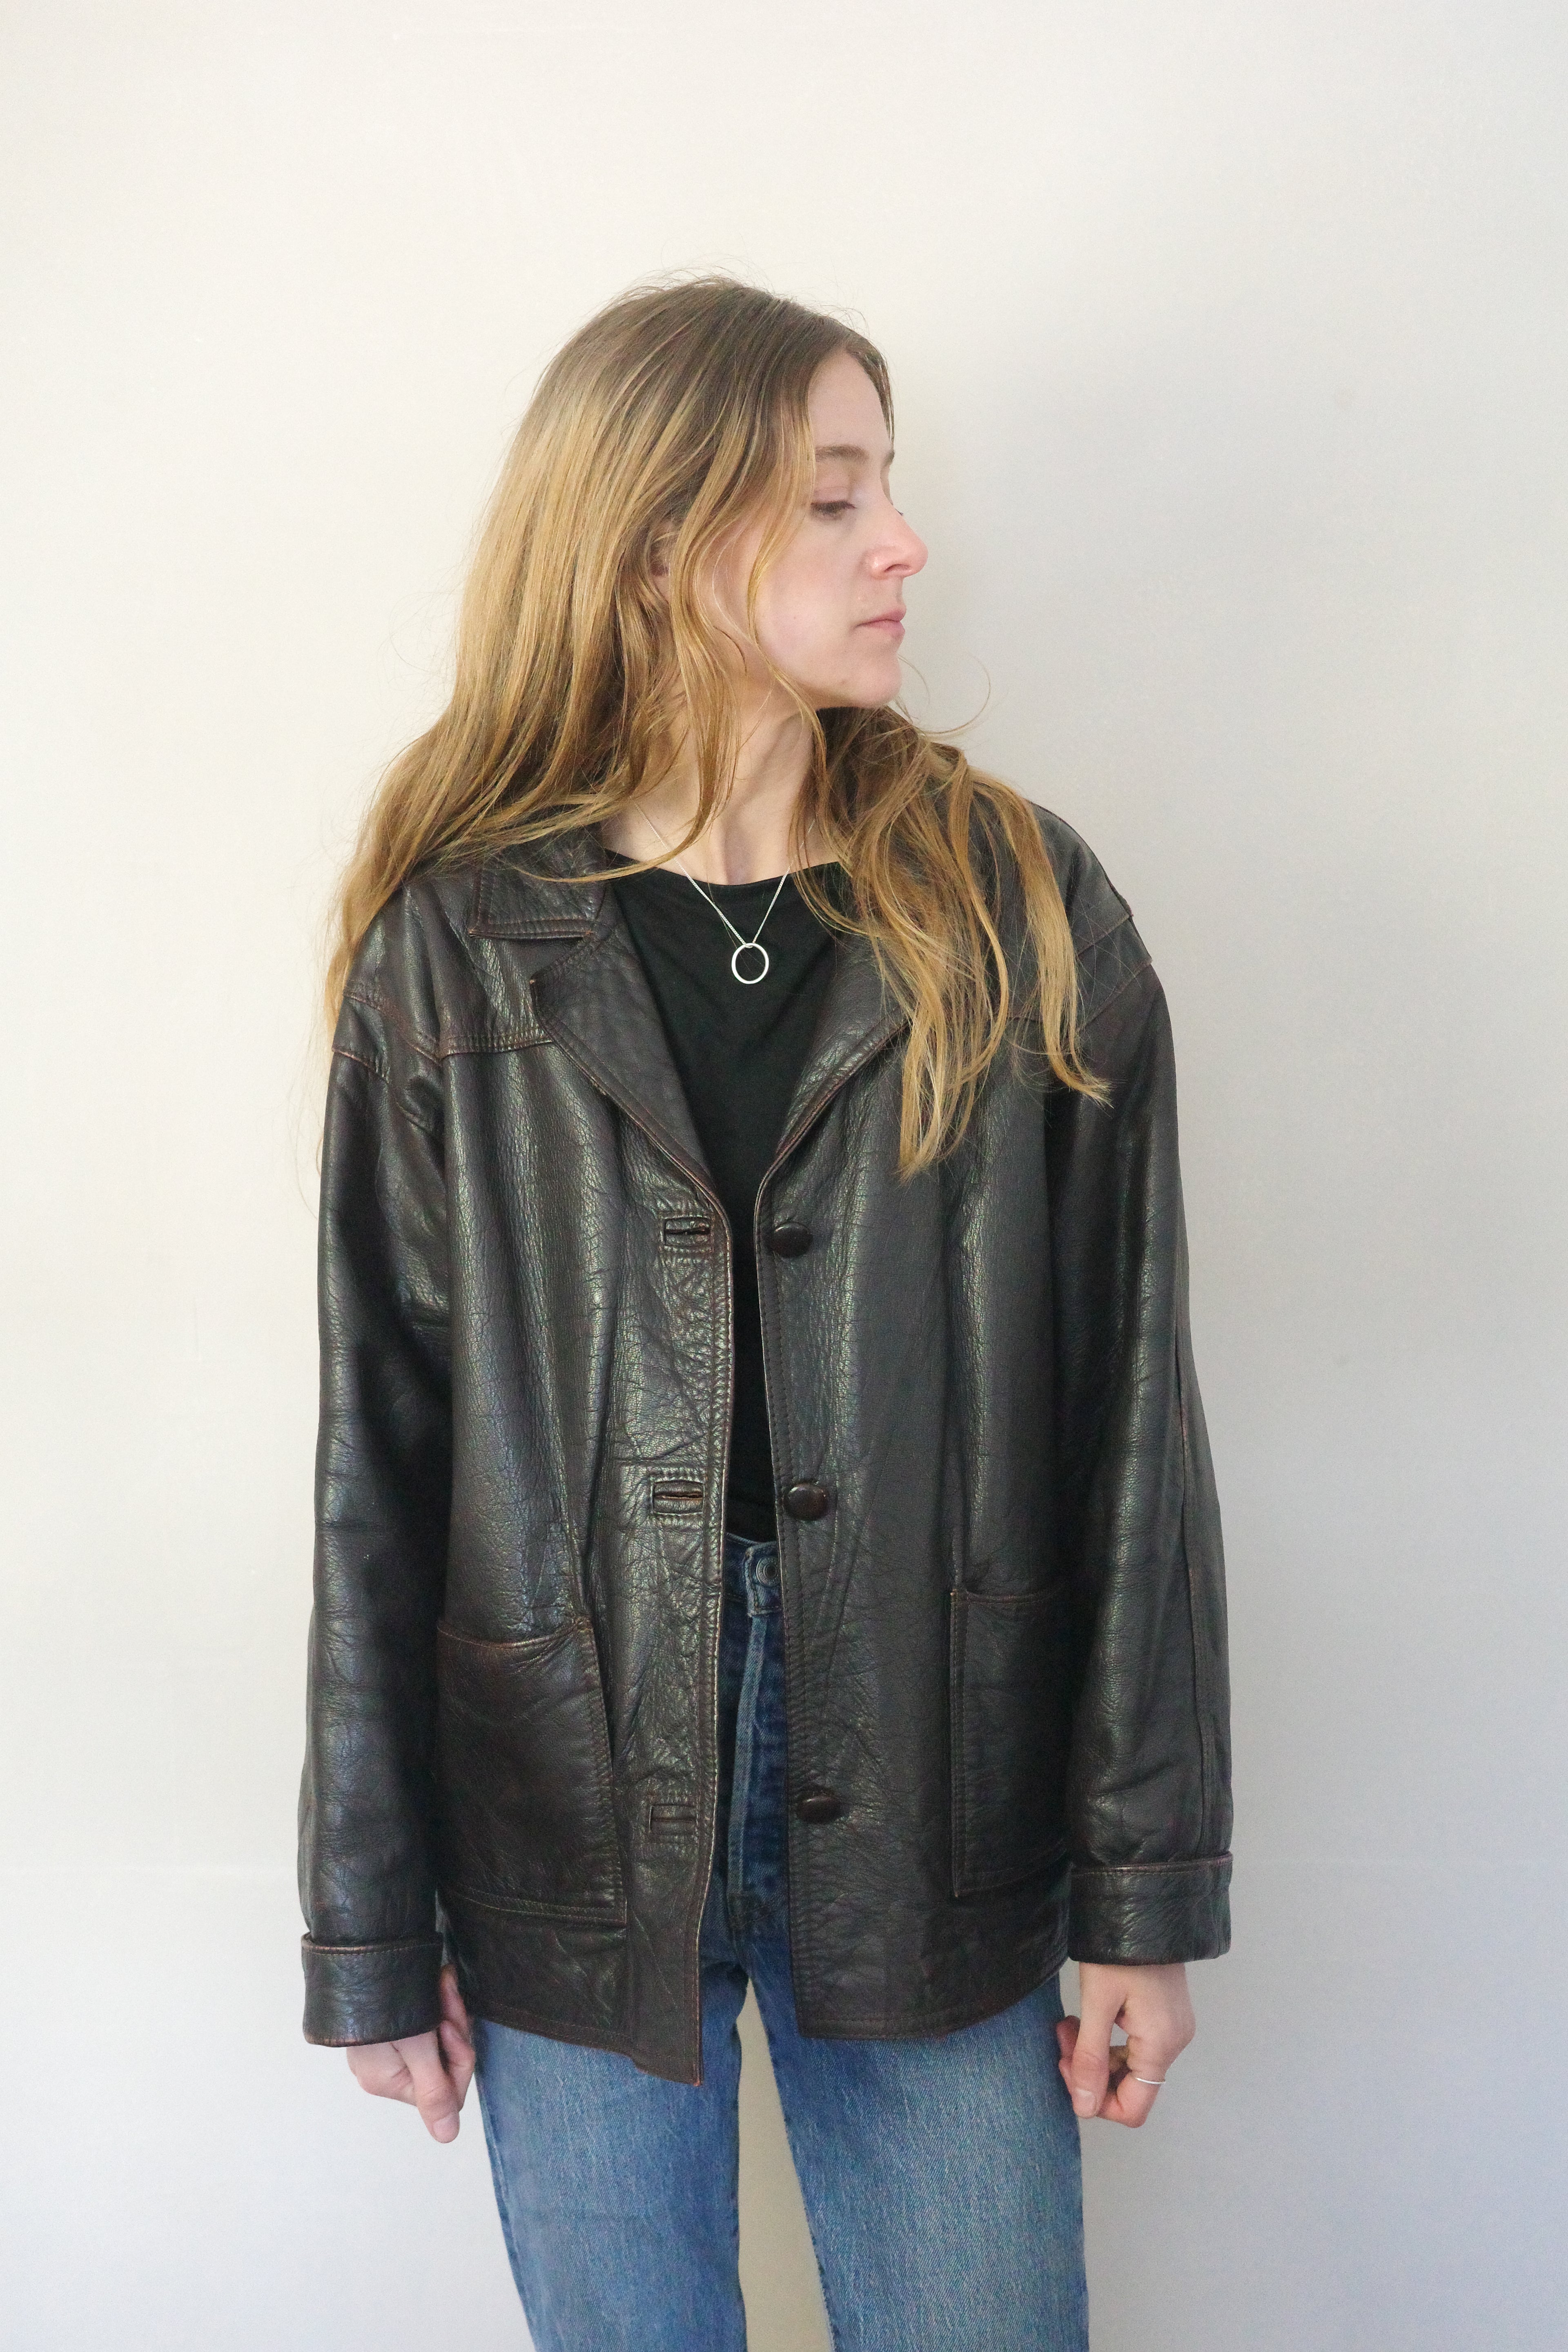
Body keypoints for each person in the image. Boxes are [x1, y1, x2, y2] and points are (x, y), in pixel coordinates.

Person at [298, 277, 1232, 2352]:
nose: (905, 541)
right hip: (556, 1799)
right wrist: (368, 1920)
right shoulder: (462, 946)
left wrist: (1144, 1894)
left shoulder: (1020, 906)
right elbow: (384, 1452)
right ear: (653, 544)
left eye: (885, 485)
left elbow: (1133, 1428)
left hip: (943, 1781)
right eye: (834, 497)